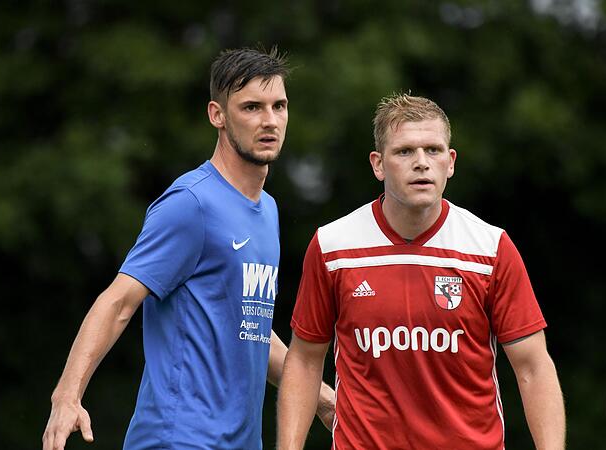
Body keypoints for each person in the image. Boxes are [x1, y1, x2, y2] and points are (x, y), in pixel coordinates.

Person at [42, 47, 334, 450]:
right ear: (217, 115)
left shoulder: (267, 210)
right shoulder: (190, 203)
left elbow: (247, 323)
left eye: (278, 106)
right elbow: (118, 302)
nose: (269, 121)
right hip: (179, 439)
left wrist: (321, 398)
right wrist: (67, 397)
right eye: (251, 107)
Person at [277, 93, 566, 449]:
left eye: (433, 150)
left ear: (451, 161)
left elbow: (534, 368)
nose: (421, 163)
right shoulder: (333, 246)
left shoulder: (490, 248)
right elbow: (305, 361)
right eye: (404, 151)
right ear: (378, 164)